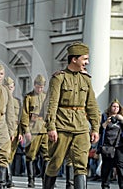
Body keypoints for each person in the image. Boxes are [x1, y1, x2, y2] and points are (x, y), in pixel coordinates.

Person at [43, 42, 100, 189]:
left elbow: (92, 105)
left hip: (81, 128)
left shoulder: (86, 79)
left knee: (81, 165)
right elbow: (52, 104)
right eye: (84, 59)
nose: (87, 62)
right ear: (74, 59)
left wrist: (95, 128)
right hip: (62, 127)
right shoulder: (59, 78)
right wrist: (51, 127)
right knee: (55, 163)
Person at [20, 74, 49, 188]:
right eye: (38, 86)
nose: (40, 89)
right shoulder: (29, 97)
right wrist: (26, 130)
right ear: (34, 85)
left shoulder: (47, 97)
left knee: (46, 156)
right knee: (30, 156)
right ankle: (31, 180)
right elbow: (24, 114)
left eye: (42, 87)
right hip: (33, 129)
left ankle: (45, 180)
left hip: (45, 129)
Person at [98, 99, 123, 189]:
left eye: (117, 107)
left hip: (119, 147)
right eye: (114, 106)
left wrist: (122, 119)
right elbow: (99, 130)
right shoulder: (104, 117)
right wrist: (105, 123)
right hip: (107, 147)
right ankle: (105, 186)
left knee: (121, 169)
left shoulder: (121, 118)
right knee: (106, 169)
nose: (115, 108)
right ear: (110, 107)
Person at [4, 77, 22, 188]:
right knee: (4, 155)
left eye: (11, 87)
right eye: (7, 88)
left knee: (11, 155)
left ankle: (8, 177)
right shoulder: (1, 100)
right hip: (4, 130)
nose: (9, 90)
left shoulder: (17, 102)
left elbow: (20, 119)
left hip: (15, 131)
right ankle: (7, 179)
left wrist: (20, 132)